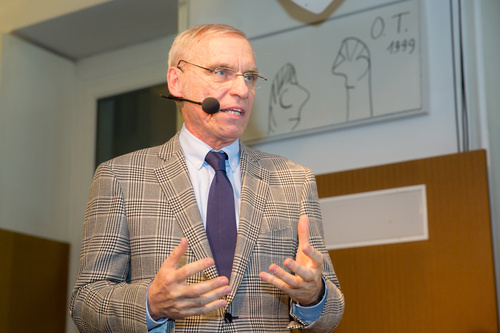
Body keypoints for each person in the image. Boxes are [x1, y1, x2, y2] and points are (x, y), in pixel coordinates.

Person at [70, 24, 344, 332]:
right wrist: (151, 303)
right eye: (221, 72)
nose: (242, 90)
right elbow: (86, 303)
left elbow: (331, 311)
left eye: (250, 77)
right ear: (177, 81)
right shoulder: (121, 177)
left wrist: (313, 296)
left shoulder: (295, 181)